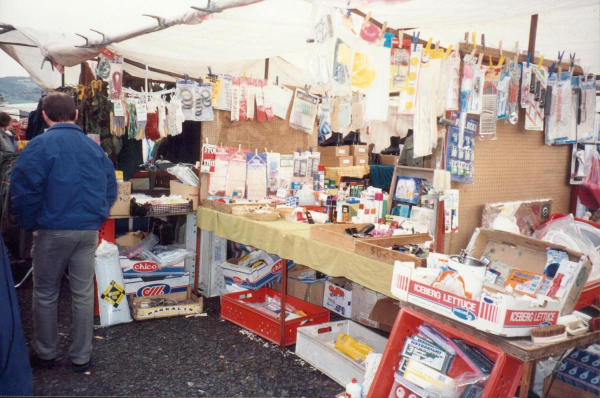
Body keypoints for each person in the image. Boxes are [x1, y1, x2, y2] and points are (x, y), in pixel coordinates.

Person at [10, 92, 117, 373]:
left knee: (45, 293)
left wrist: (30, 223)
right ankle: (82, 356)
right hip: (87, 230)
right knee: (82, 293)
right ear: (77, 115)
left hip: (52, 230)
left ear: (43, 116)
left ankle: (46, 354)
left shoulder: (38, 146)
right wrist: (98, 215)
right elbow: (110, 187)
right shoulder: (94, 147)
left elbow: (23, 192)